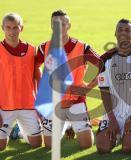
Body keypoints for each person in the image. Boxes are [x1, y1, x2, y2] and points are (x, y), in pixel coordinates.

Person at [35, 9, 101, 148]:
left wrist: (88, 88)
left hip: (76, 102)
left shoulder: (83, 47)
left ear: (69, 25)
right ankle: (66, 124)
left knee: (87, 145)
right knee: (49, 145)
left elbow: (103, 66)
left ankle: (71, 124)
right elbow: (34, 67)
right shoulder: (43, 47)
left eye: (63, 24)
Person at [96, 19, 131, 154]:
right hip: (112, 113)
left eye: (127, 30)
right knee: (103, 147)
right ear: (115, 33)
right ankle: (117, 135)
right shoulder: (104, 59)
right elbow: (104, 92)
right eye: (120, 29)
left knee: (129, 148)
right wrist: (112, 119)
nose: (123, 33)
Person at [0, 13, 42, 150]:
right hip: (4, 106)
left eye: (15, 27)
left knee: (36, 144)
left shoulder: (31, 49)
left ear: (21, 28)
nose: (12, 31)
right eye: (8, 27)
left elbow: (37, 73)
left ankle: (17, 131)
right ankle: (13, 129)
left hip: (27, 104)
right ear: (3, 28)